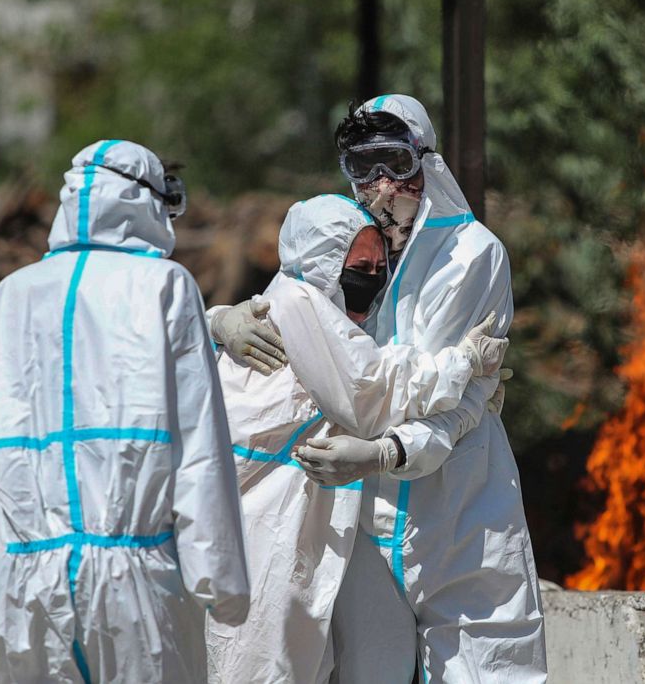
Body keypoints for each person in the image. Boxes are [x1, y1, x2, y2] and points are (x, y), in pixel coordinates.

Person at [0, 140, 249, 684]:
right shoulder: (164, 286)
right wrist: (222, 582)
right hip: (131, 588)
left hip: (16, 586)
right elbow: (198, 446)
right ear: (147, 204)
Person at [206, 194, 509, 683]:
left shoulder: (308, 301)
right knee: (262, 665)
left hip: (297, 520)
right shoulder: (302, 304)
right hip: (265, 525)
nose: (370, 277)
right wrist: (465, 368)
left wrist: (470, 402)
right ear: (323, 265)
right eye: (356, 266)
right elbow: (373, 393)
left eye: (377, 265)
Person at [307, 95, 547, 683]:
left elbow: (451, 404)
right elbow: (288, 314)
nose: (380, 184)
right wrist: (221, 322)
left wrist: (383, 451)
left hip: (460, 509)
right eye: (362, 167)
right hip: (359, 516)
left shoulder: (473, 257)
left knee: (490, 669)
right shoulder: (345, 249)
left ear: (425, 162)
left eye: (392, 161)